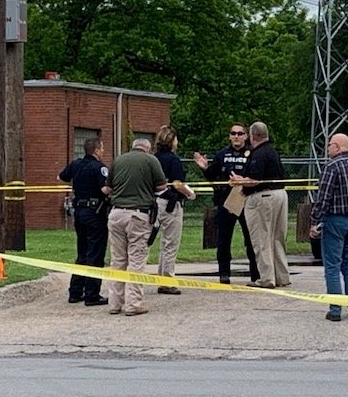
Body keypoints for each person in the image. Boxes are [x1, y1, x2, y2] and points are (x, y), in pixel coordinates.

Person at [103, 138, 167, 316]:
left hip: (115, 214)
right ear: (147, 148)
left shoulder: (118, 160)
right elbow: (161, 186)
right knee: (136, 260)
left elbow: (108, 189)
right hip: (138, 215)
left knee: (117, 260)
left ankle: (114, 304)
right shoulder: (151, 160)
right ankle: (133, 304)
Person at [193, 123, 259, 284]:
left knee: (251, 239)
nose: (236, 136)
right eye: (233, 133)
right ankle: (224, 273)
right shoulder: (222, 154)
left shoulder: (253, 154)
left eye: (240, 133)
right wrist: (204, 168)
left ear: (245, 136)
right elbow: (212, 175)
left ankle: (256, 274)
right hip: (225, 201)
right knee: (223, 239)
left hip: (246, 200)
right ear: (229, 136)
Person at [309, 133, 348, 322]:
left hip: (335, 220)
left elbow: (323, 198)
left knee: (332, 266)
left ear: (338, 147)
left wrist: (315, 221)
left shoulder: (331, 167)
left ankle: (335, 310)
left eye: (329, 145)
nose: (327, 149)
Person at [229, 121, 290, 289]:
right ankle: (282, 276)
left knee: (262, 238)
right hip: (280, 195)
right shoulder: (273, 152)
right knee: (277, 238)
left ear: (252, 135)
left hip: (263, 198)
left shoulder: (258, 154)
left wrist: (239, 181)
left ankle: (266, 278)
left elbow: (255, 180)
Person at [58, 137, 109, 306]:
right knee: (95, 254)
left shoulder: (76, 165)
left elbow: (61, 176)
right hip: (95, 214)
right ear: (96, 151)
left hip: (79, 213)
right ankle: (92, 295)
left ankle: (75, 292)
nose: (103, 152)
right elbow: (105, 189)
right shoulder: (100, 168)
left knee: (82, 252)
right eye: (102, 149)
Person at [153, 125, 196, 295]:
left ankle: (158, 277)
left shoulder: (154, 158)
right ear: (171, 141)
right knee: (170, 243)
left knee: (148, 242)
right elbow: (177, 184)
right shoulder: (173, 160)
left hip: (153, 203)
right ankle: (167, 280)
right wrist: (189, 193)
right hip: (170, 205)